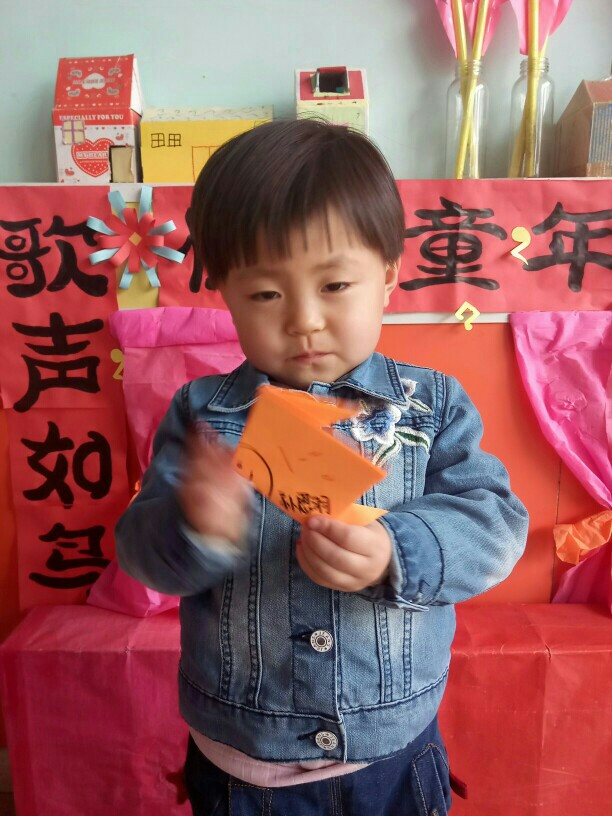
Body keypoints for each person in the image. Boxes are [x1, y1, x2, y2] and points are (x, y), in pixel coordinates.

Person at [115, 118, 529, 816]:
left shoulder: (431, 406)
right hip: (241, 760)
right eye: (265, 295)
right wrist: (192, 526)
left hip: (390, 753)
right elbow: (140, 553)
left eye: (335, 284)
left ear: (388, 276)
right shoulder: (203, 415)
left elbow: (494, 523)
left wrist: (398, 549)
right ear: (225, 292)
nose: (304, 319)